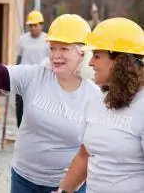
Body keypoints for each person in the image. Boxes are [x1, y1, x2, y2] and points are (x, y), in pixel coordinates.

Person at [0, 14, 100, 193]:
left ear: (83, 53)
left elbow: (98, 150)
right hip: (24, 179)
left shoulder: (94, 96)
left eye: (64, 49)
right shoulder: (34, 76)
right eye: (53, 48)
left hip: (67, 187)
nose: (56, 55)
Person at [57, 18, 144, 193]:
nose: (90, 63)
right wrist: (62, 191)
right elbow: (84, 156)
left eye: (96, 56)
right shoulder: (96, 101)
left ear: (120, 61)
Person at [15, 10, 48, 128]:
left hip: (40, 79)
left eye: (35, 25)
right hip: (24, 78)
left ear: (41, 25)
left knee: (38, 109)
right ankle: (21, 129)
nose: (33, 28)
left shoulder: (47, 40)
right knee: (21, 107)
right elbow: (19, 58)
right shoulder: (23, 39)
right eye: (30, 26)